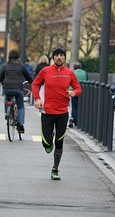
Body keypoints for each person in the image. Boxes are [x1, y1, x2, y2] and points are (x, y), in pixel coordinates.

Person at [32, 47, 82, 180]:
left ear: (65, 58)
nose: (59, 57)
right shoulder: (46, 71)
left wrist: (74, 92)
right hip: (47, 112)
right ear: (53, 58)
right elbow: (35, 84)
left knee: (59, 142)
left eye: (61, 55)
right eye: (56, 55)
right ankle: (49, 141)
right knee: (47, 144)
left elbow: (78, 88)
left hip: (62, 113)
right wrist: (37, 98)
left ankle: (55, 169)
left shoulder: (70, 73)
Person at [0, 50, 33, 133]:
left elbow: (0, 78)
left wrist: (3, 82)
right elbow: (28, 77)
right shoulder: (21, 66)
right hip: (18, 88)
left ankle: (7, 114)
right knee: (20, 106)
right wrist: (29, 81)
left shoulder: (5, 66)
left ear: (9, 57)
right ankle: (20, 123)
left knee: (7, 98)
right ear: (18, 57)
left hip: (7, 88)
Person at [69, 62, 88, 128]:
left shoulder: (73, 73)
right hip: (83, 91)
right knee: (82, 106)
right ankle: (81, 121)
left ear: (74, 67)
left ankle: (75, 120)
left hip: (74, 91)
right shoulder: (85, 72)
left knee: (74, 107)